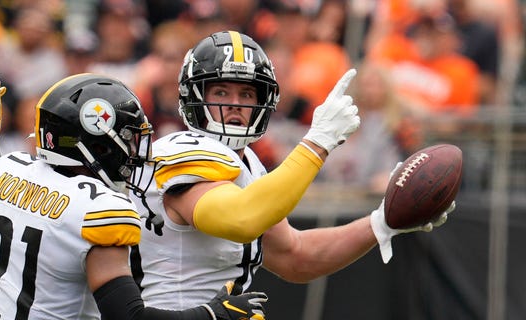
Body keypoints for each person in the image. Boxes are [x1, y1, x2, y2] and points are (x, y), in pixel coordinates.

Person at [129, 30, 456, 312]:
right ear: (195, 97)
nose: (235, 103)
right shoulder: (180, 149)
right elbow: (240, 219)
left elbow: (295, 256)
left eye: (246, 93)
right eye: (221, 92)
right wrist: (316, 145)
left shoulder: (249, 164)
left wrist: (382, 222)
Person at [0, 74, 269, 319]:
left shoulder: (7, 172)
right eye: (127, 138)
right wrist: (211, 314)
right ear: (97, 144)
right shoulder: (98, 209)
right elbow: (129, 318)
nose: (134, 151)